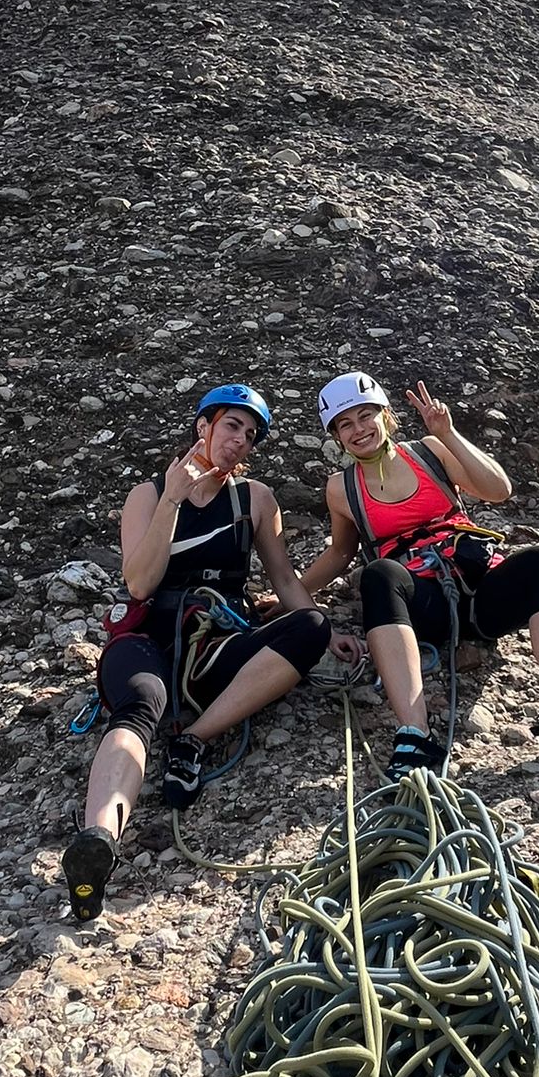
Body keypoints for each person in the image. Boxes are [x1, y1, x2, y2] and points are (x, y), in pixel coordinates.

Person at [61, 383, 361, 924]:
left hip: (217, 638)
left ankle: (193, 742)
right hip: (149, 637)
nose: (240, 441)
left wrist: (327, 628)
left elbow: (283, 578)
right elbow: (140, 583)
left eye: (251, 435)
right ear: (204, 426)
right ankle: (100, 837)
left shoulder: (255, 500)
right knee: (141, 701)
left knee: (309, 627)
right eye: (232, 426)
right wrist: (174, 498)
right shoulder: (148, 495)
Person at [300, 371, 539, 786]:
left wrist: (449, 433)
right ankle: (415, 733)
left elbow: (498, 490)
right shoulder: (342, 489)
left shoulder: (429, 453)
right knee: (379, 573)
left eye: (365, 415)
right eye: (345, 424)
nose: (358, 429)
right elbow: (339, 553)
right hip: (426, 606)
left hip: (480, 591)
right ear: (336, 436)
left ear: (386, 416)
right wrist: (290, 597)